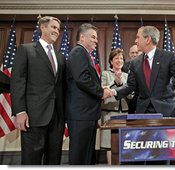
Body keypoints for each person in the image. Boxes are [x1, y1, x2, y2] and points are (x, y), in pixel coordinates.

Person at [105, 26, 175, 165]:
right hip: (143, 113)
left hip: (165, 112)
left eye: (138, 37)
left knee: (162, 156)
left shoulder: (169, 57)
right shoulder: (135, 62)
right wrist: (113, 91)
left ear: (148, 39)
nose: (135, 40)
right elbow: (131, 86)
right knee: (142, 155)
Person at [10, 16, 65, 165]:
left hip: (57, 118)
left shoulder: (60, 57)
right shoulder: (26, 50)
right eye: (53, 27)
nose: (56, 31)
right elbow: (17, 82)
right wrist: (20, 111)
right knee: (31, 160)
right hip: (33, 117)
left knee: (54, 160)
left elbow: (61, 86)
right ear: (42, 27)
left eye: (58, 29)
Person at [65, 23, 110, 165]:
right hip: (81, 114)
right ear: (82, 37)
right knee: (80, 155)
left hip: (85, 114)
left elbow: (83, 79)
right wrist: (101, 92)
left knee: (87, 154)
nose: (96, 40)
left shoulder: (83, 53)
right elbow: (82, 79)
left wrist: (99, 87)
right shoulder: (79, 52)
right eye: (93, 37)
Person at [100, 48, 132, 165]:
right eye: (116, 58)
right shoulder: (105, 74)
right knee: (110, 144)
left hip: (124, 113)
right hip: (109, 113)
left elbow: (131, 95)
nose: (119, 60)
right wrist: (116, 82)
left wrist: (122, 84)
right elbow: (103, 91)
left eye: (121, 58)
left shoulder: (127, 76)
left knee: (124, 142)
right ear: (111, 61)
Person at [122, 44, 142, 114]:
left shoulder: (146, 64)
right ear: (129, 54)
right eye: (132, 53)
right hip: (129, 99)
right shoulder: (124, 66)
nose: (135, 54)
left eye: (136, 52)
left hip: (142, 97)